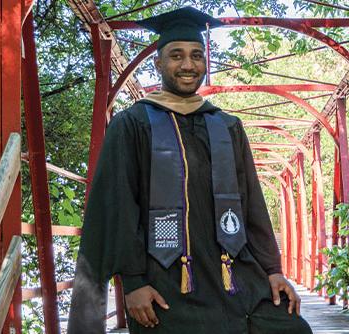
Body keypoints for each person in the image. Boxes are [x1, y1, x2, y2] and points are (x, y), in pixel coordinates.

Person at [68, 6, 313, 334]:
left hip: (234, 276)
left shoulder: (227, 125)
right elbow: (119, 207)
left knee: (292, 328)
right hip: (167, 283)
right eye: (176, 55)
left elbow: (251, 202)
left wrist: (272, 269)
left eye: (197, 55)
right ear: (158, 63)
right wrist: (134, 282)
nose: (188, 65)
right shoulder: (133, 124)